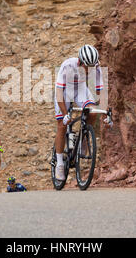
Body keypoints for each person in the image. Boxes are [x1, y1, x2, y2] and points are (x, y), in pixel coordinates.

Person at [53, 44, 104, 181]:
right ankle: (59, 164)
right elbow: (59, 93)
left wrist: (105, 112)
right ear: (80, 62)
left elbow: (100, 92)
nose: (89, 70)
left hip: (81, 89)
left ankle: (83, 140)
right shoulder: (67, 66)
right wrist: (65, 114)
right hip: (65, 91)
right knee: (62, 125)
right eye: (87, 67)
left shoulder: (96, 65)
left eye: (91, 67)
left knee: (93, 112)